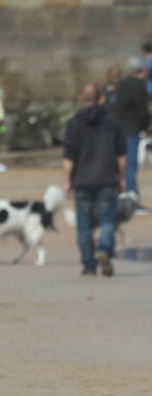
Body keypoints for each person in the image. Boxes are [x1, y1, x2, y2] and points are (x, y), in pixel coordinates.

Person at [63, 83, 126, 277]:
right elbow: (122, 154)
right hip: (107, 178)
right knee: (107, 222)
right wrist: (122, 178)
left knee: (84, 227)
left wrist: (67, 180)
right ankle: (105, 249)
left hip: (82, 180)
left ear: (81, 98)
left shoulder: (73, 123)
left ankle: (89, 265)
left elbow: (69, 157)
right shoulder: (113, 121)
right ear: (100, 97)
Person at [112, 55, 149, 199]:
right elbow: (142, 111)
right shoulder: (138, 85)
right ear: (143, 70)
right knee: (131, 164)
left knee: (121, 163)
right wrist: (145, 125)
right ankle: (131, 195)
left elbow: (118, 107)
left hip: (119, 128)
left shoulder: (123, 83)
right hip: (132, 129)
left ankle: (122, 192)